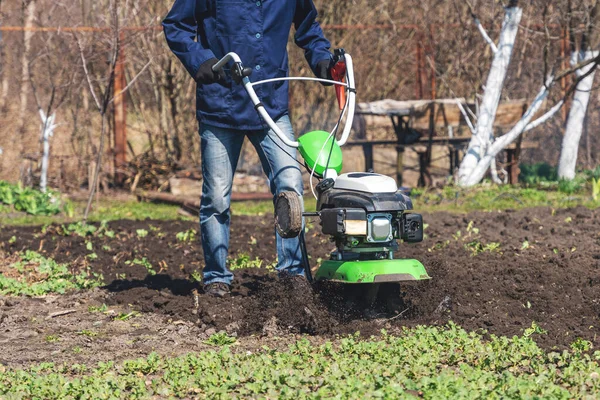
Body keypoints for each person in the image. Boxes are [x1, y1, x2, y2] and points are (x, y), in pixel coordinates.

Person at [163, 0, 334, 297]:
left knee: (290, 184)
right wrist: (199, 60)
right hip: (220, 104)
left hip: (271, 104)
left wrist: (322, 58)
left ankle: (292, 274)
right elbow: (176, 25)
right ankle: (217, 276)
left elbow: (308, 26)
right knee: (216, 196)